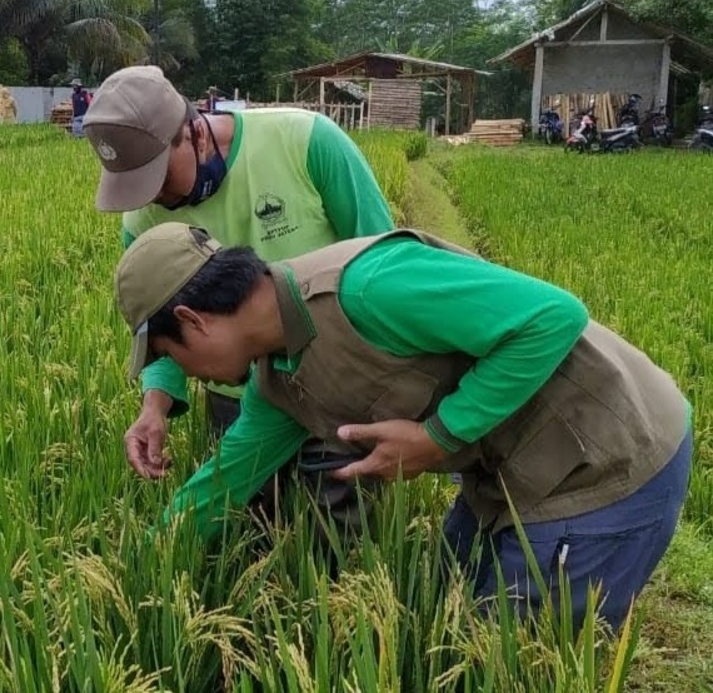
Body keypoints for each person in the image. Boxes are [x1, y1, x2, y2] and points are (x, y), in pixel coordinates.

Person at [114, 222, 692, 632]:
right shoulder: (276, 383)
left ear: (194, 320)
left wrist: (439, 435)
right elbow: (221, 485)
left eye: (173, 356)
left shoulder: (369, 287)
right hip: (511, 476)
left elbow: (553, 317)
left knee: (508, 659)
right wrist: (137, 570)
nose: (184, 377)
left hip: (607, 462)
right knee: (439, 617)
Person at [82, 64, 394, 490]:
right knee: (249, 533)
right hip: (237, 400)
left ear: (195, 133)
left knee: (334, 538)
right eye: (138, 186)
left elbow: (381, 260)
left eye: (160, 178)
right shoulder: (143, 220)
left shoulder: (306, 142)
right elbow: (164, 325)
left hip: (336, 389)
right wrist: (154, 407)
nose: (156, 198)